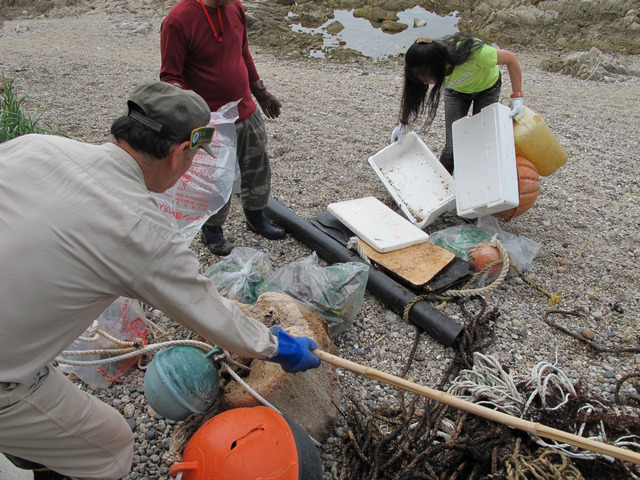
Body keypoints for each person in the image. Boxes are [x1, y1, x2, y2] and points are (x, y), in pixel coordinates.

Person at [0, 81, 320, 480]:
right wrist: (276, 346)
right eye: (194, 158)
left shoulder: (36, 146)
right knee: (111, 446)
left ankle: (31, 445)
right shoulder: (138, 228)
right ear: (178, 153)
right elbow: (207, 309)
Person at [160, 0, 285, 256]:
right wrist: (191, 117)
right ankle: (212, 230)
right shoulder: (178, 19)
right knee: (215, 175)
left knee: (257, 167)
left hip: (244, 109)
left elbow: (243, 52)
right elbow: (170, 77)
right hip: (210, 119)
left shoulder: (234, 6)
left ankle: (255, 216)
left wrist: (260, 93)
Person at [391, 33, 523, 174]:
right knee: (452, 147)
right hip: (456, 93)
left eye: (426, 78)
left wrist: (517, 97)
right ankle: (442, 187)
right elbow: (412, 93)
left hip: (488, 89)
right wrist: (403, 123)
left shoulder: (475, 54)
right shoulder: (425, 63)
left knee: (479, 140)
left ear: (439, 66)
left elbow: (511, 59)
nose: (425, 83)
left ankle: (477, 180)